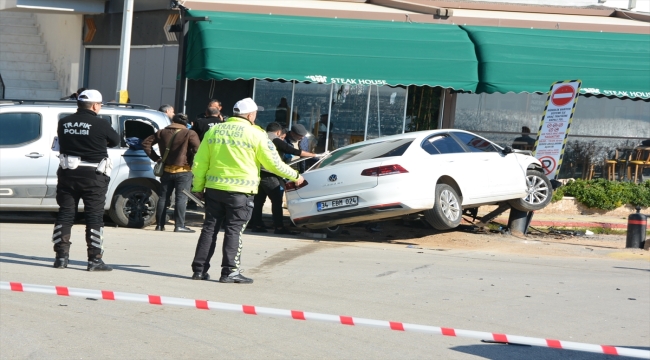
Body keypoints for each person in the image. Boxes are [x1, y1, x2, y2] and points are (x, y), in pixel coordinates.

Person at [190, 98, 304, 284]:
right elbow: (274, 164)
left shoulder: (214, 131)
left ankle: (199, 270)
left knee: (209, 229)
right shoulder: (256, 134)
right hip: (240, 192)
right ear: (251, 115)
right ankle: (230, 272)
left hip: (214, 189)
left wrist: (198, 187)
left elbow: (200, 162)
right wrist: (296, 176)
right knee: (234, 231)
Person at [51, 89, 120, 271]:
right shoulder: (100, 124)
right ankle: (94, 260)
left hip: (68, 174)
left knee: (65, 214)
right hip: (93, 176)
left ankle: (61, 258)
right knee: (94, 216)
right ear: (96, 105)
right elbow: (115, 140)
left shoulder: (64, 122)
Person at [250, 122, 316, 234]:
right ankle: (279, 227)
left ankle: (256, 224)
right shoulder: (274, 139)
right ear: (278, 132)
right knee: (276, 201)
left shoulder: (261, 137)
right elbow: (291, 150)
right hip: (269, 173)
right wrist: (314, 155)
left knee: (259, 200)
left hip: (259, 172)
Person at [142, 113, 201, 233]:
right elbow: (197, 150)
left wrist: (157, 159)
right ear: (185, 123)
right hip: (184, 170)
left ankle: (159, 225)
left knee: (163, 198)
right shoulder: (190, 133)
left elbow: (145, 144)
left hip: (166, 170)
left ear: (172, 121)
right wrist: (191, 159)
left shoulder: (161, 132)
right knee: (181, 198)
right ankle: (179, 226)